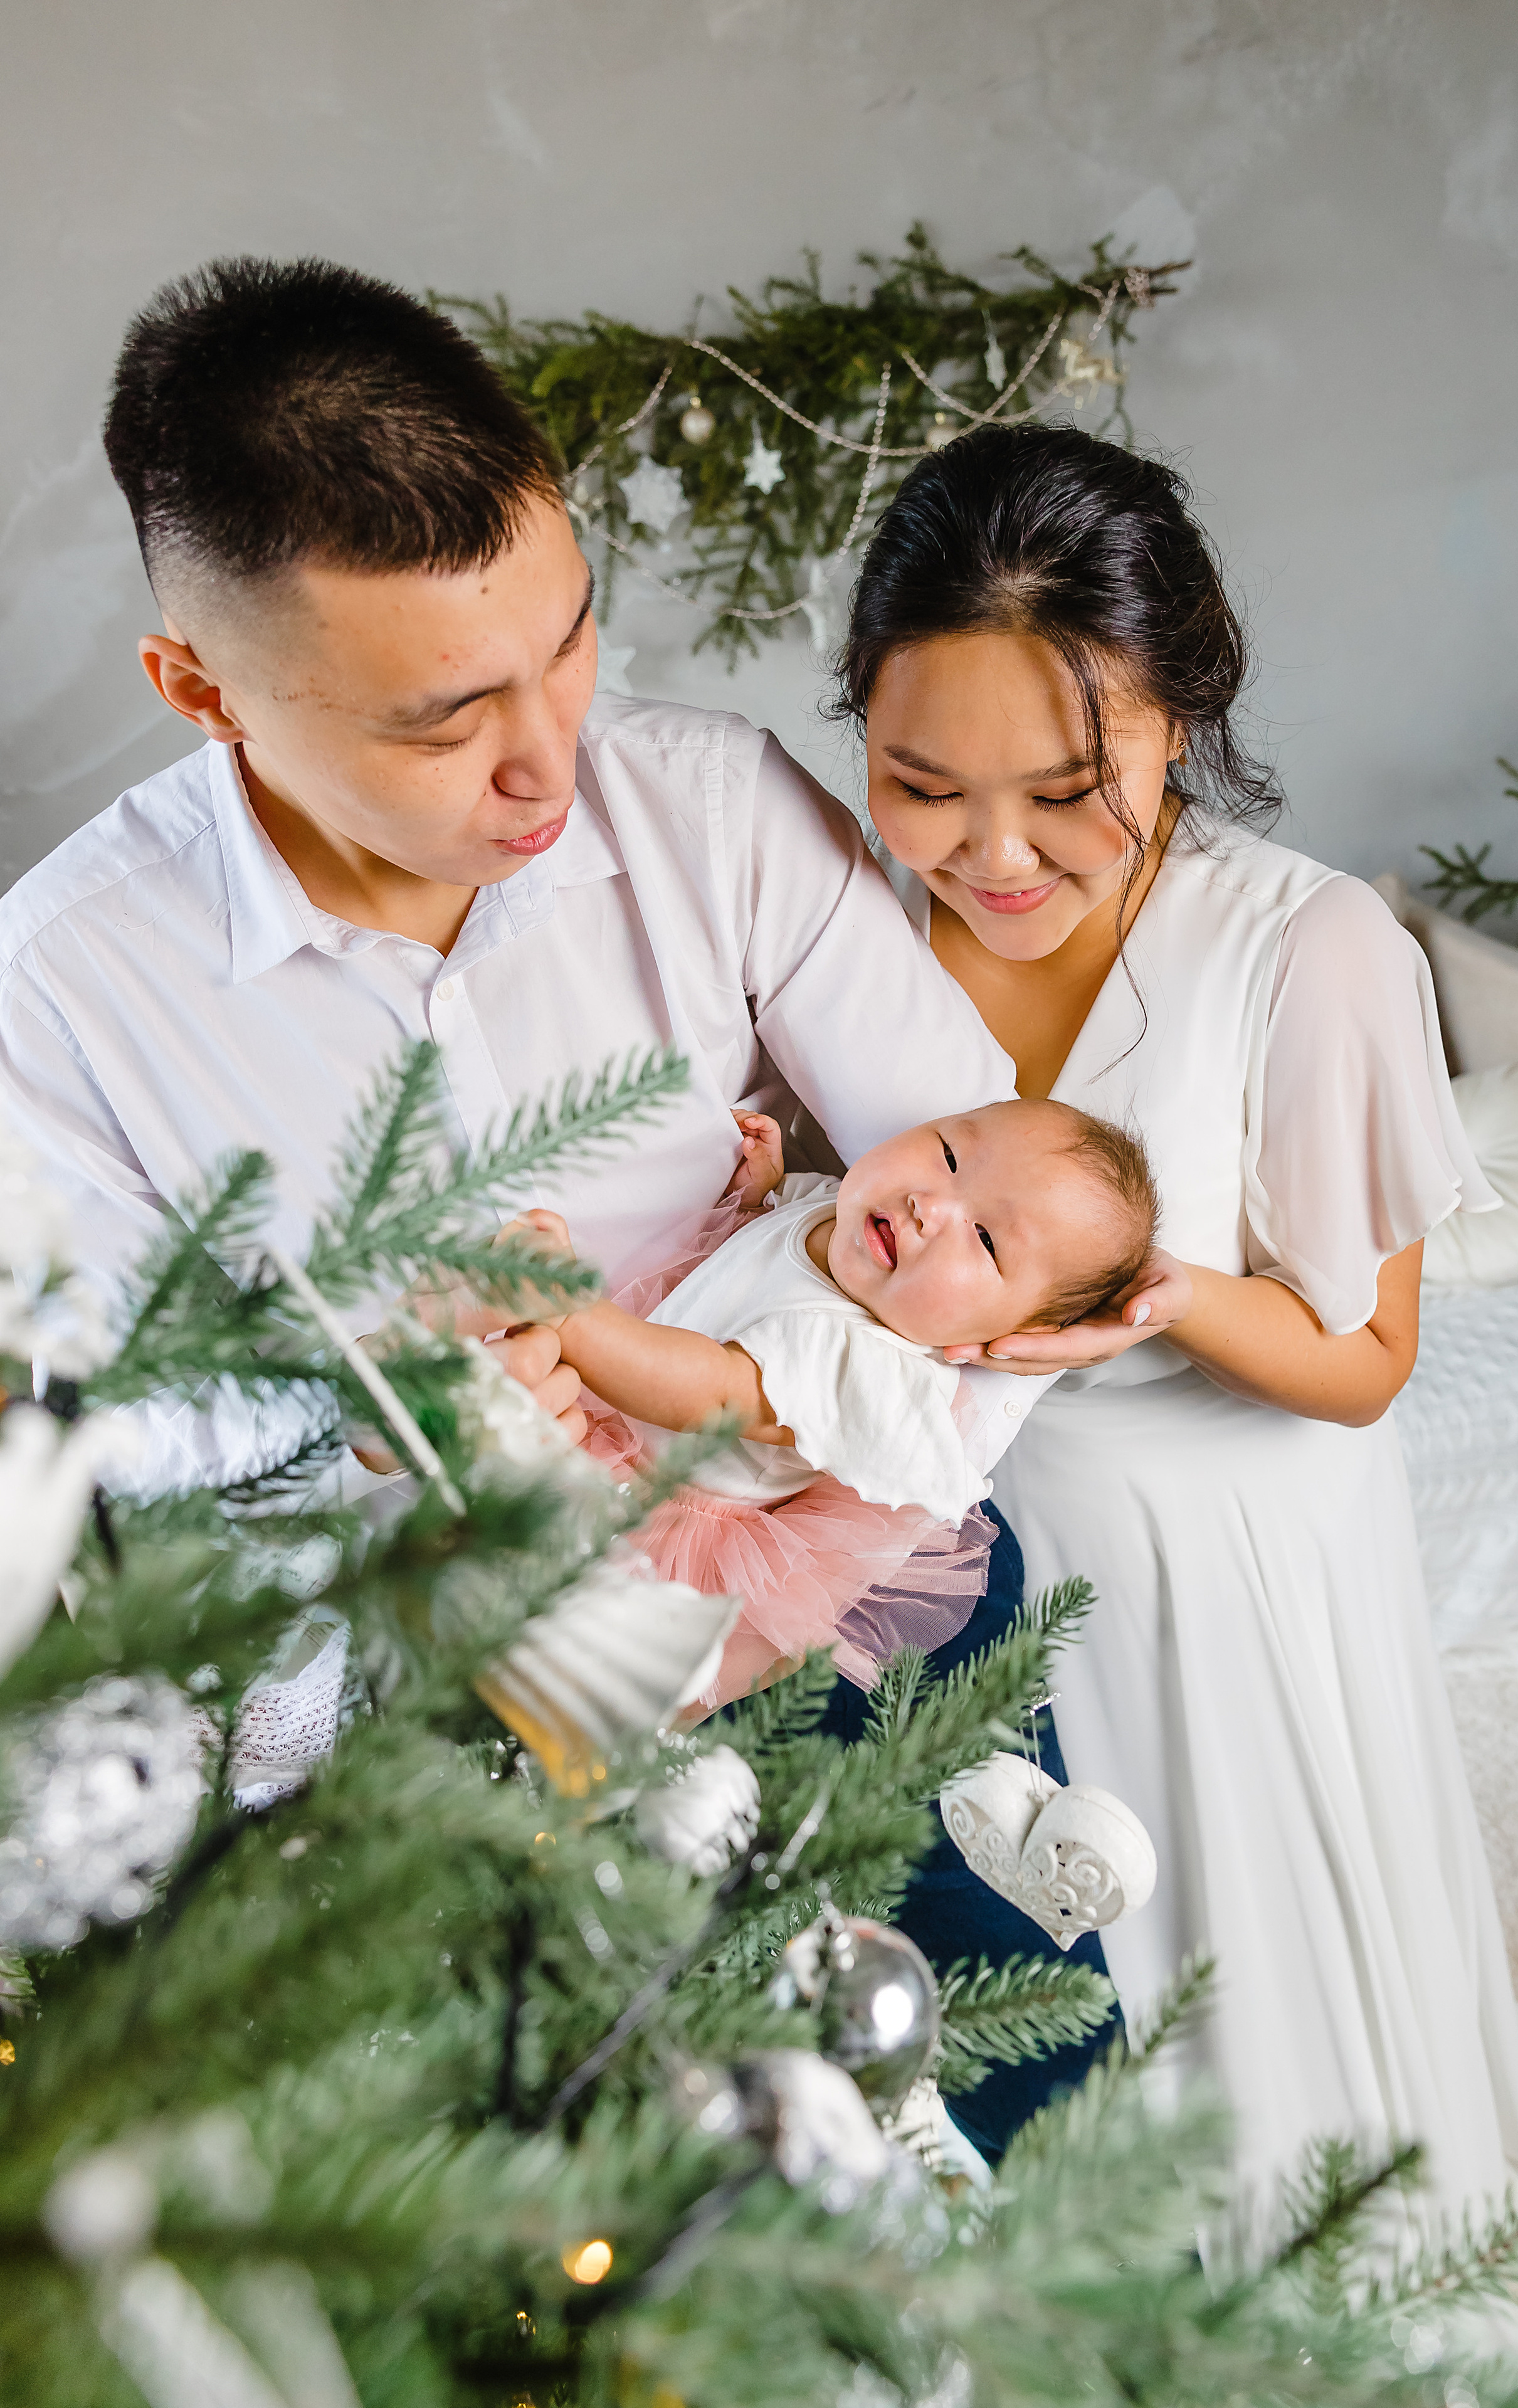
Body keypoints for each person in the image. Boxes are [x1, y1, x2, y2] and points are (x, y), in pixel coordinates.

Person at [0, 257, 1112, 2154]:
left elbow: (1012, 1221)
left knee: (1030, 2122)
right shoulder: (57, 996)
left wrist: (822, 1504)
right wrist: (367, 1403)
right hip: (433, 1699)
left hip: (833, 1588)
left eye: (570, 638)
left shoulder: (709, 813)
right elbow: (103, 1429)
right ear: (202, 688)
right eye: (442, 721)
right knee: (608, 2237)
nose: (550, 760)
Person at [831, 420, 1518, 2234]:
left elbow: (1364, 1364)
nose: (992, 852)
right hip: (927, 1542)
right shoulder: (834, 918)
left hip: (1213, 1563)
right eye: (925, 784)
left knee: (1233, 2045)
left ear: (1183, 709)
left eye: (1070, 789)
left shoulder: (1308, 948)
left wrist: (1165, 1298)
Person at [514, 1096, 1157, 1708]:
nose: (929, 1205)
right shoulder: (840, 1212)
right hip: (613, 1432)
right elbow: (768, 1252)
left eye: (986, 1239)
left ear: (1007, 1333)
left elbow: (707, 1390)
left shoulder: (864, 1363)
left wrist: (572, 1314)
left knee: (552, 1664)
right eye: (949, 1156)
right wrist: (765, 1194)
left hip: (650, 1524)